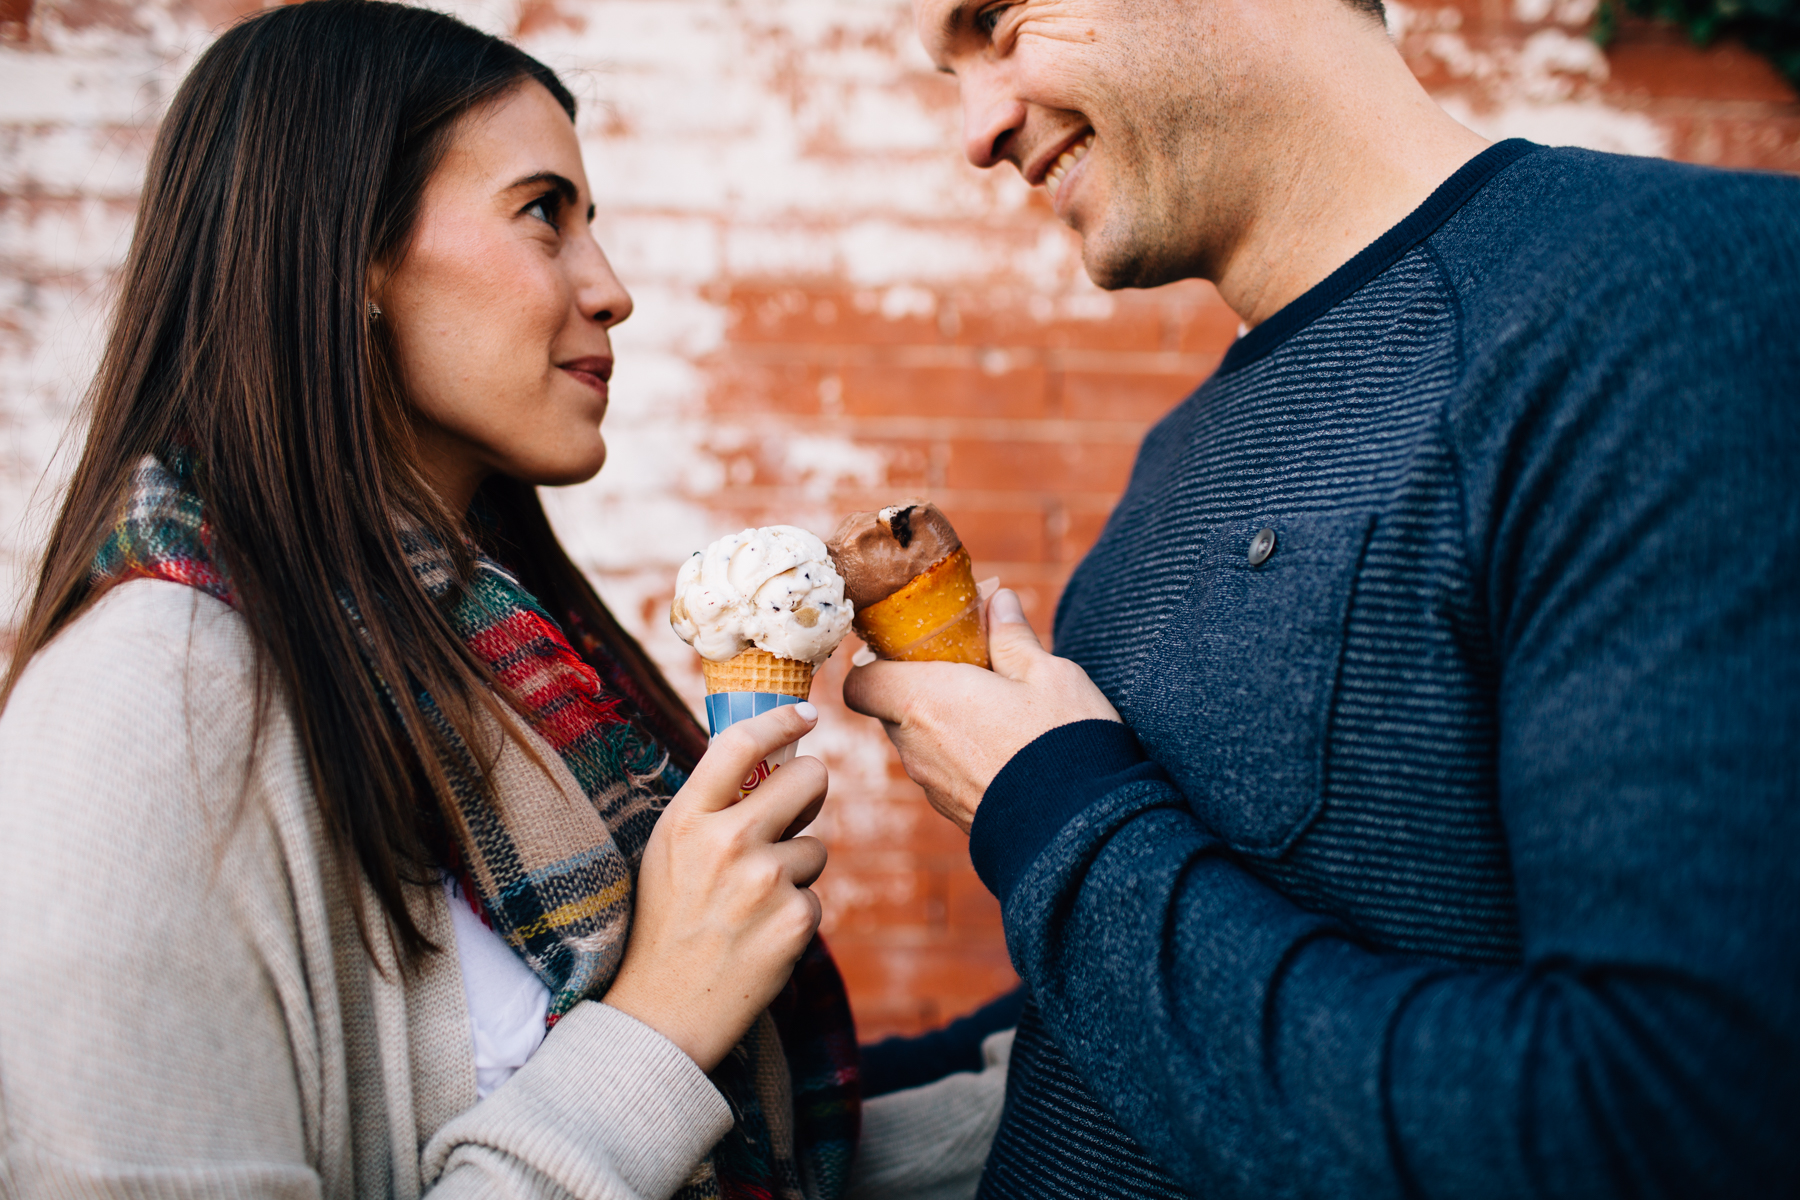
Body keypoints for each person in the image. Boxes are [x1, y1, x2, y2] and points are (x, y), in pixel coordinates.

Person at [842, 0, 1800, 1196]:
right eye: (950, 73)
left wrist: (1044, 809)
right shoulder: (1176, 460)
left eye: (999, 20)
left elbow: (1665, 1118)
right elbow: (1170, 992)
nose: (977, 129)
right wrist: (798, 1101)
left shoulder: (1679, 300)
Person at [0, 4, 860, 1197]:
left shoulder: (488, 660)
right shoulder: (148, 708)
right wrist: (660, 1022)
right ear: (352, 246)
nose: (609, 289)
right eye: (543, 213)